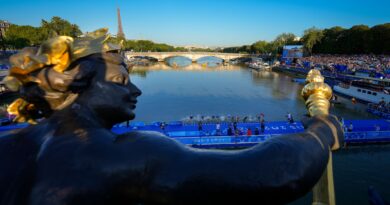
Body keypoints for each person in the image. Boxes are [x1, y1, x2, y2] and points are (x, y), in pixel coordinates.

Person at [0, 33, 343, 205]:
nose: (135, 91)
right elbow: (275, 175)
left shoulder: (10, 145)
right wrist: (320, 131)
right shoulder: (126, 153)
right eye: (121, 79)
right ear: (78, 82)